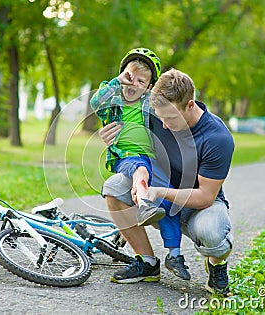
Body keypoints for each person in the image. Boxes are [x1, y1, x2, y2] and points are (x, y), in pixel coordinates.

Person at [100, 68, 234, 296]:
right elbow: (128, 135)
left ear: (190, 105)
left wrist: (158, 192)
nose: (162, 124)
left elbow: (205, 197)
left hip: (197, 207)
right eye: (159, 116)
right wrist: (116, 141)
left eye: (170, 118)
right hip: (159, 196)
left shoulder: (217, 138)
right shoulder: (159, 116)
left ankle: (217, 265)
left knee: (212, 234)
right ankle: (147, 263)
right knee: (113, 187)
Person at [91, 48, 191, 281]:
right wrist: (118, 81)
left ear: (149, 87)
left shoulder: (150, 103)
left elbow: (176, 109)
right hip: (129, 158)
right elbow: (96, 101)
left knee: (167, 201)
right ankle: (144, 205)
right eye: (129, 76)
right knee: (139, 169)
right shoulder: (114, 101)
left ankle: (174, 254)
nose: (133, 83)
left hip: (156, 161)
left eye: (141, 81)